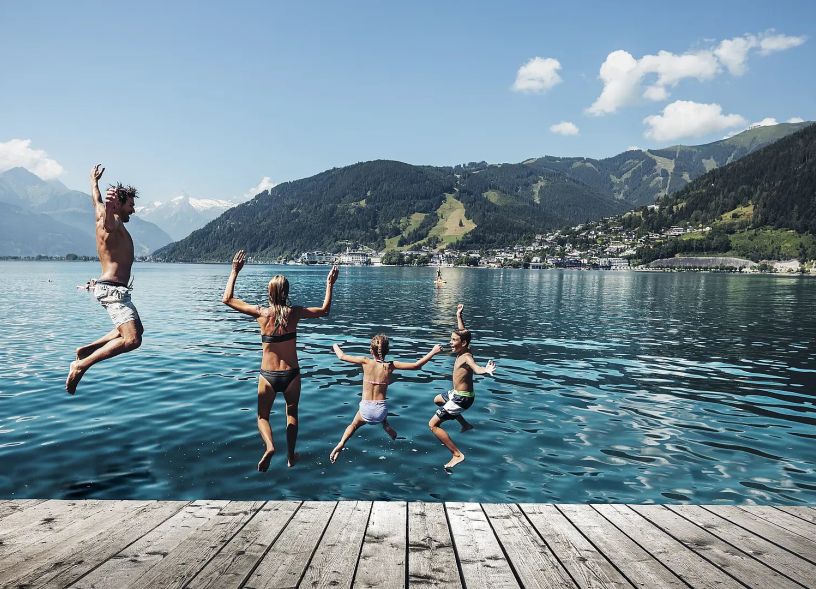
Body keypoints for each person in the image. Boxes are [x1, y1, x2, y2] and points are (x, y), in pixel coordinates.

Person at [222, 249, 339, 470]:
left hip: (267, 376)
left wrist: (234, 271)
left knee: (262, 416)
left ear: (270, 293)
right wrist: (329, 284)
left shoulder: (261, 313)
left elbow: (227, 299)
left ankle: (269, 447)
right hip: (291, 374)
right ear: (286, 293)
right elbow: (324, 311)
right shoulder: (294, 313)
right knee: (292, 413)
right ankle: (291, 455)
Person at [66, 165, 142, 394]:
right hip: (112, 291)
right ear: (118, 205)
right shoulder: (112, 221)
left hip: (116, 290)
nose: (134, 210)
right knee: (132, 340)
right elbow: (109, 222)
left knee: (137, 329)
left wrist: (93, 181)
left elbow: (95, 201)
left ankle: (85, 350)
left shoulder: (101, 211)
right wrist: (111, 209)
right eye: (131, 205)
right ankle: (81, 366)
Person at [329, 336, 442, 463]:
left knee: (354, 425)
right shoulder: (390, 366)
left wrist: (334, 345)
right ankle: (385, 425)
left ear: (371, 351)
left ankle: (341, 443)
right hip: (380, 410)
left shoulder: (365, 361)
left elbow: (342, 356)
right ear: (387, 350)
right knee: (380, 409)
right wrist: (433, 351)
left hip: (365, 409)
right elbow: (416, 365)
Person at [429, 303, 496, 469]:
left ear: (463, 343)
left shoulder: (467, 357)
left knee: (432, 425)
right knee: (437, 399)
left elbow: (476, 368)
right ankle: (465, 425)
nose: (450, 342)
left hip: (462, 399)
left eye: (453, 340)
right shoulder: (464, 350)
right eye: (451, 339)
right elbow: (464, 333)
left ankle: (456, 454)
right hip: (457, 394)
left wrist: (485, 370)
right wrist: (459, 316)